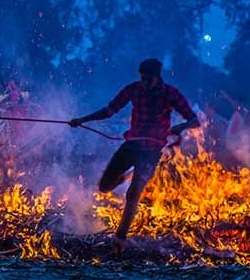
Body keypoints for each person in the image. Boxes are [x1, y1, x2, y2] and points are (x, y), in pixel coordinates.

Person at [68, 58, 199, 253]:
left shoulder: (170, 94)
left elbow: (194, 120)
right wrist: (82, 119)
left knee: (133, 194)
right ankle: (122, 178)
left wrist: (181, 127)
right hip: (131, 146)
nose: (144, 83)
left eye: (148, 79)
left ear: (157, 77)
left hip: (152, 151)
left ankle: (119, 239)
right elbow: (109, 110)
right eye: (142, 78)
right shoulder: (133, 89)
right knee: (104, 187)